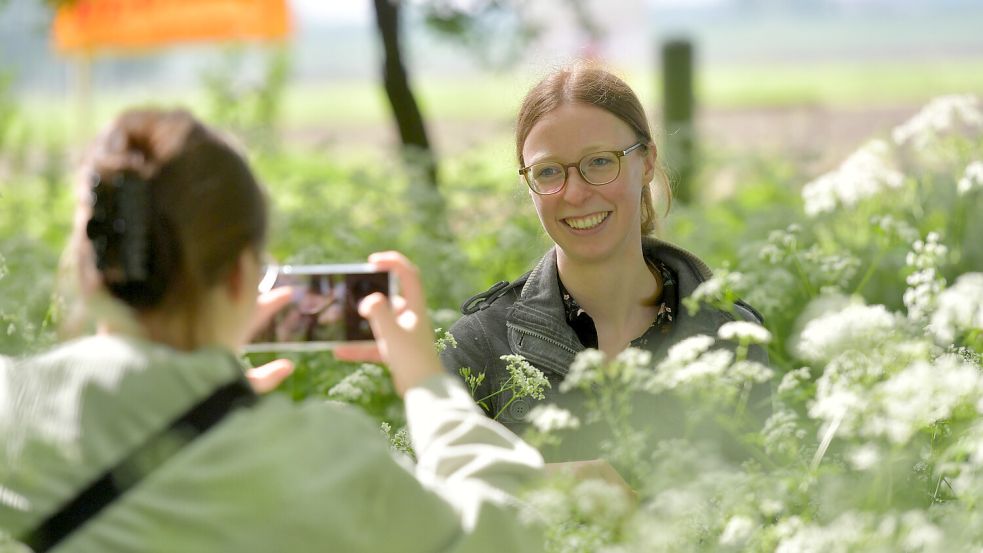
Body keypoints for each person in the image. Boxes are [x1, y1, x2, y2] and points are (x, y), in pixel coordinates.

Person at [0, 110, 544, 552]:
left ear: (90, 267)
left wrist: (191, 407)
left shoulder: (12, 405)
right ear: (243, 275)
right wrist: (428, 386)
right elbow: (507, 535)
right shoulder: (323, 458)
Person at [440, 63, 767, 462]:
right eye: (548, 171)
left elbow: (771, 500)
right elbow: (441, 507)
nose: (575, 194)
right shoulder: (479, 346)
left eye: (599, 162)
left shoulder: (732, 337)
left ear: (646, 162)